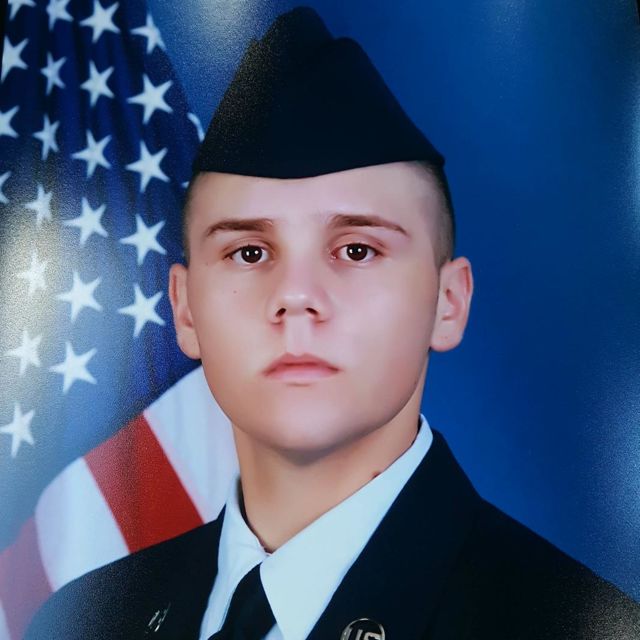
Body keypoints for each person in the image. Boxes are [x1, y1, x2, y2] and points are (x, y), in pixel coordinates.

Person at [26, 6, 640, 640]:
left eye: (357, 249)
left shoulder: (575, 626)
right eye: (249, 253)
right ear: (184, 310)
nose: (295, 296)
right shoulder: (85, 622)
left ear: (447, 302)